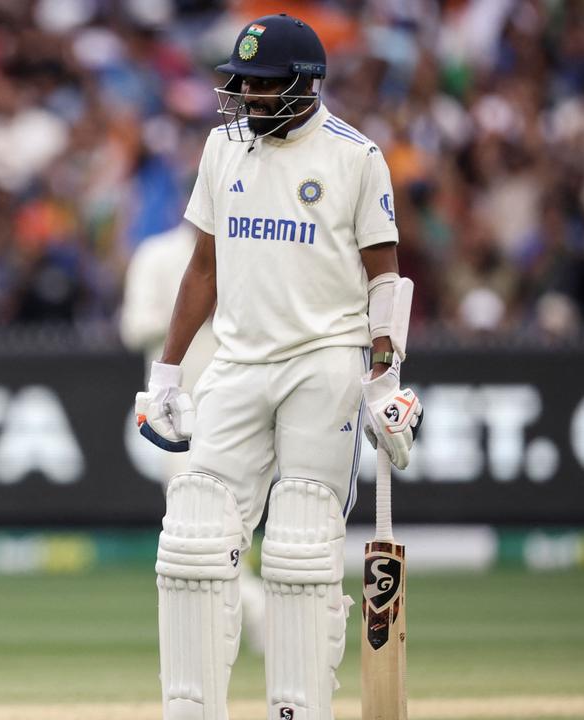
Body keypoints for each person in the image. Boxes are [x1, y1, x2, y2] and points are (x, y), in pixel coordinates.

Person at [134, 14, 422, 720]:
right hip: (235, 361)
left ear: (306, 84)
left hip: (323, 363)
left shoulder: (357, 157)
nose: (248, 97)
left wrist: (384, 374)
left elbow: (385, 277)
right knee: (196, 535)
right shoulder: (221, 147)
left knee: (302, 540)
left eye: (264, 86)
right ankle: (193, 708)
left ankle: (299, 710)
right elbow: (202, 267)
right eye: (243, 83)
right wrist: (168, 374)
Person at [120, 223, 267, 657]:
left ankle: (240, 629)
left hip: (243, 406)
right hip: (180, 417)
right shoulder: (157, 253)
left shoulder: (249, 245)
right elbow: (134, 326)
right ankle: (261, 621)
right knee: (196, 528)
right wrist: (198, 304)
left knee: (234, 529)